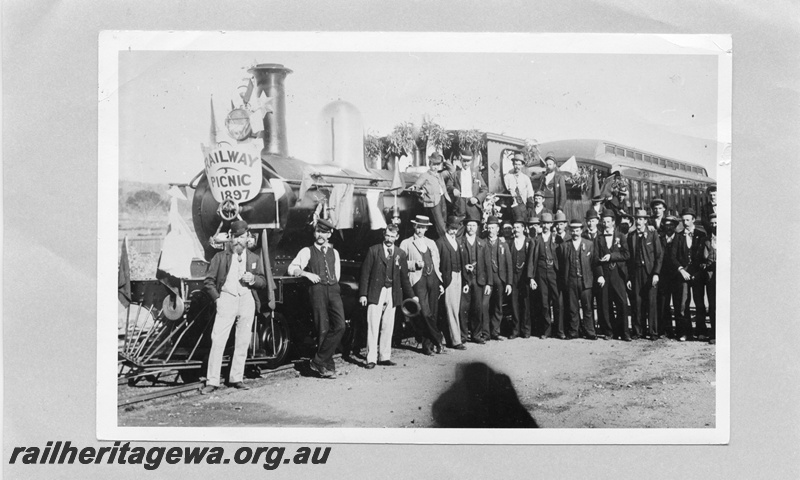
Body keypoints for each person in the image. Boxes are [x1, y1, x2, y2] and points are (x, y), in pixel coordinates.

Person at [201, 220, 267, 394]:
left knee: (243, 340)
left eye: (242, 237)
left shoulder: (254, 258)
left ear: (248, 238)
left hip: (246, 300)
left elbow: (263, 281)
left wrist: (253, 280)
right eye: (235, 237)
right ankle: (212, 380)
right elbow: (208, 282)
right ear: (230, 238)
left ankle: (236, 378)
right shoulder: (220, 257)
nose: (238, 240)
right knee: (218, 340)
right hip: (227, 299)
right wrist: (218, 299)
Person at [287, 218, 345, 379]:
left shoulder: (335, 252)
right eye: (318, 231)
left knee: (340, 325)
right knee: (323, 328)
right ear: (314, 232)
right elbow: (292, 268)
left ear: (330, 234)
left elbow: (337, 274)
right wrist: (306, 273)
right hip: (317, 290)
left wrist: (333, 285)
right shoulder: (307, 251)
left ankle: (318, 360)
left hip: (333, 289)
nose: (320, 235)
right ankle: (327, 366)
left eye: (324, 232)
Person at [358, 224, 416, 369]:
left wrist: (412, 296)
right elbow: (365, 274)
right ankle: (371, 358)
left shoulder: (400, 254)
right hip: (375, 292)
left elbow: (404, 278)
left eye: (392, 236)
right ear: (384, 235)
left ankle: (384, 356)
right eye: (387, 235)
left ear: (397, 237)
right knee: (373, 325)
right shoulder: (374, 251)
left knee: (388, 325)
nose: (389, 239)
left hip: (392, 292)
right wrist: (363, 294)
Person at [399, 215, 445, 355]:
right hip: (418, 280)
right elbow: (400, 263)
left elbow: (437, 263)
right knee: (425, 312)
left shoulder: (431, 243)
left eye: (423, 227)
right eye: (418, 227)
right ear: (414, 227)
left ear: (426, 229)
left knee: (434, 313)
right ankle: (438, 339)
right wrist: (414, 264)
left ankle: (428, 347)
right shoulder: (406, 243)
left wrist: (440, 281)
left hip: (433, 279)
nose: (420, 230)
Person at [558, 219, 600, 340]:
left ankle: (590, 331)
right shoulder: (564, 246)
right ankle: (573, 331)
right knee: (573, 308)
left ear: (581, 230)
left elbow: (594, 263)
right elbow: (562, 265)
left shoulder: (589, 244)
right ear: (570, 231)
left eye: (577, 230)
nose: (575, 233)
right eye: (573, 230)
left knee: (587, 308)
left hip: (585, 281)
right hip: (571, 281)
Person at [626, 209, 663, 340]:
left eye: (642, 219)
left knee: (651, 302)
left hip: (650, 272)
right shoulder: (631, 236)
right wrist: (629, 278)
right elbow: (629, 259)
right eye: (637, 219)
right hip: (636, 272)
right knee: (637, 302)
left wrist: (656, 273)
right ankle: (638, 331)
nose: (639, 222)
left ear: (646, 221)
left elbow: (659, 255)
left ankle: (653, 332)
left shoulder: (653, 234)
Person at [672, 207, 708, 341]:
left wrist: (698, 272)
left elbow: (703, 257)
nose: (685, 222)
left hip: (697, 274)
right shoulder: (678, 236)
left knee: (699, 303)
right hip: (683, 274)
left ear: (693, 220)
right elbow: (673, 256)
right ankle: (685, 332)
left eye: (688, 220)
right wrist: (681, 269)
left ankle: (701, 331)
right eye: (683, 220)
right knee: (683, 304)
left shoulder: (701, 235)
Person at [595, 210, 630, 341]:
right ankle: (609, 332)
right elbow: (596, 258)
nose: (606, 224)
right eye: (604, 221)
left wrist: (612, 256)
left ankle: (624, 332)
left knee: (622, 303)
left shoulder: (621, 236)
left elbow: (627, 255)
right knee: (605, 304)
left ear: (613, 222)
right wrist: (600, 275)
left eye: (608, 221)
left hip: (618, 274)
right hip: (605, 275)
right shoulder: (598, 239)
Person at [528, 212, 564, 339]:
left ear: (551, 224)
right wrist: (531, 278)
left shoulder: (557, 239)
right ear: (540, 224)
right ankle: (546, 330)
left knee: (557, 301)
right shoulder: (536, 240)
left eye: (549, 223)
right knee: (544, 303)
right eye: (544, 223)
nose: (546, 226)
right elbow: (532, 260)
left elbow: (561, 257)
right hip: (541, 272)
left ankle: (559, 330)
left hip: (554, 272)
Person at [435, 216, 467, 350]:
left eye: (455, 229)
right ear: (447, 228)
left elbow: (462, 261)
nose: (453, 231)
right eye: (451, 228)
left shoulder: (457, 242)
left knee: (456, 307)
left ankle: (453, 337)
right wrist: (440, 282)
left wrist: (465, 281)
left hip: (458, 275)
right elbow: (437, 264)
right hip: (448, 278)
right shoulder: (440, 242)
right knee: (451, 308)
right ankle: (455, 340)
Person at [458, 214, 491, 344]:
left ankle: (476, 334)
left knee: (477, 309)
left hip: (479, 280)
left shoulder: (482, 243)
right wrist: (464, 266)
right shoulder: (460, 242)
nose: (471, 228)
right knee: (463, 308)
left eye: (474, 226)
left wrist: (489, 283)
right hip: (465, 280)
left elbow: (488, 264)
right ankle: (463, 335)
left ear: (477, 228)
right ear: (466, 227)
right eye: (469, 225)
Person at [483, 216, 513, 340]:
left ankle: (495, 331)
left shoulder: (503, 244)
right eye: (489, 228)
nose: (491, 230)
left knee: (498, 305)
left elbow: (509, 264)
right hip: (486, 280)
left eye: (493, 228)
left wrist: (509, 283)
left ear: (497, 229)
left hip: (500, 278)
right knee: (484, 305)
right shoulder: (482, 242)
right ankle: (485, 333)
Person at [508, 212, 535, 339]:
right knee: (514, 304)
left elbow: (531, 261)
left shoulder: (529, 242)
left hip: (525, 277)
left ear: (524, 228)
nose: (516, 230)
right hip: (513, 276)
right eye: (514, 227)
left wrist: (530, 277)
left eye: (518, 227)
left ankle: (526, 330)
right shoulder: (510, 243)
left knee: (526, 303)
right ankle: (515, 330)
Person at [410, 152, 449, 238]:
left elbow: (452, 170)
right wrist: (415, 188)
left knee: (444, 222)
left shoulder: (440, 175)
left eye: (438, 164)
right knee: (440, 225)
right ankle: (446, 242)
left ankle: (443, 242)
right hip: (433, 202)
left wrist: (445, 160)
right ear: (429, 164)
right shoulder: (425, 175)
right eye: (434, 164)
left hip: (442, 199)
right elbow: (417, 185)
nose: (435, 167)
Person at [656, 215, 681, 338]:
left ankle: (679, 330)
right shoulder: (659, 238)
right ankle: (666, 330)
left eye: (671, 224)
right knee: (663, 303)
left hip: (676, 276)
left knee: (677, 303)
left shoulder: (680, 238)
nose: (668, 227)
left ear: (675, 226)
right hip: (663, 276)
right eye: (666, 224)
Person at [447, 151, 488, 224]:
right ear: (460, 160)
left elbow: (484, 189)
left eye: (468, 161)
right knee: (459, 228)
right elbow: (448, 186)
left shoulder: (476, 173)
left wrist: (477, 198)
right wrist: (453, 190)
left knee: (473, 228)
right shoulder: (455, 174)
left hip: (473, 205)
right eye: (464, 161)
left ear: (471, 161)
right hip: (460, 205)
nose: (465, 163)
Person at [504, 152, 535, 220]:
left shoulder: (525, 178)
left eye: (519, 165)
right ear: (513, 164)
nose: (517, 167)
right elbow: (505, 190)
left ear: (522, 165)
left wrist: (530, 207)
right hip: (511, 205)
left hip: (523, 206)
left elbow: (530, 193)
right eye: (515, 164)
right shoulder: (507, 177)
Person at [702, 213, 717, 345]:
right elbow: (703, 259)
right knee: (712, 305)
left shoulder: (729, 238)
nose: (714, 225)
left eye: (716, 222)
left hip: (725, 276)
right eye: (712, 223)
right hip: (711, 276)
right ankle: (713, 332)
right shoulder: (706, 240)